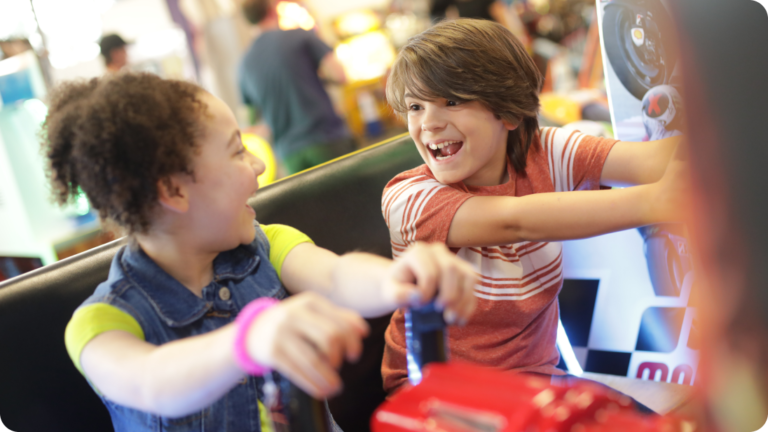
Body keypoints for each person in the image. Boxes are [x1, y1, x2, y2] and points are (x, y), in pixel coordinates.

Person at [45, 72, 478, 432]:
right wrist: (249, 339)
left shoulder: (263, 244)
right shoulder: (100, 323)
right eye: (237, 151)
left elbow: (336, 276)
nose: (256, 165)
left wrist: (397, 279)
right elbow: (151, 381)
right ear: (174, 190)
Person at [380, 19, 687, 400]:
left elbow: (650, 159)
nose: (428, 123)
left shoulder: (543, 152)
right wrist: (659, 201)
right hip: (439, 395)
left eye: (452, 101)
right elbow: (514, 221)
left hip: (537, 380)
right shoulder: (408, 198)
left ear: (507, 113)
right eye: (415, 106)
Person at [238, 0, 356, 175]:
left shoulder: (244, 64)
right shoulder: (301, 36)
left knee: (312, 203)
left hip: (290, 154)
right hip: (326, 139)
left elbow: (251, 120)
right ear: (272, 9)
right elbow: (340, 75)